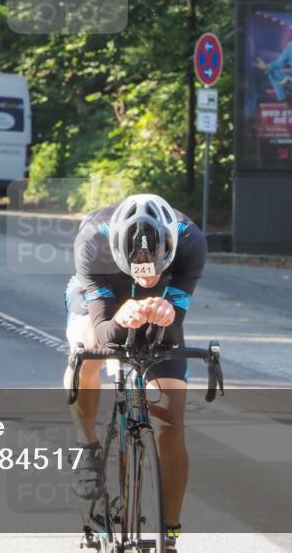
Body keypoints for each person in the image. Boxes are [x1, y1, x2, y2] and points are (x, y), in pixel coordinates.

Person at [62, 194, 207, 550]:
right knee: (85, 349)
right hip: (104, 297)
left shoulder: (190, 241)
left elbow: (171, 332)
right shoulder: (92, 241)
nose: (149, 275)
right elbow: (103, 333)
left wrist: (167, 312)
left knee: (171, 418)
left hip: (161, 302)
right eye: (142, 268)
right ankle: (87, 446)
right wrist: (122, 318)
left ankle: (169, 534)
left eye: (157, 268)